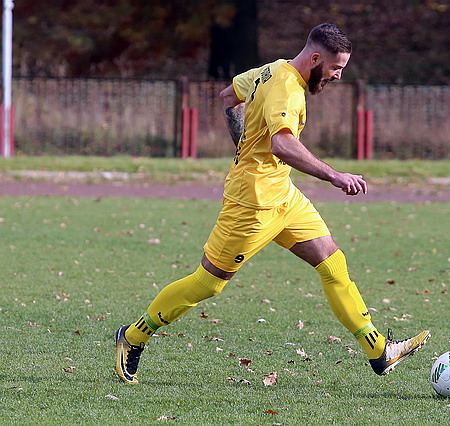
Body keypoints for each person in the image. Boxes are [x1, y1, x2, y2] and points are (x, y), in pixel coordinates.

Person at [115, 23, 429, 385]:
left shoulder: (271, 69)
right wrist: (334, 175)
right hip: (252, 203)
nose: (338, 76)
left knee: (332, 263)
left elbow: (228, 97)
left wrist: (244, 145)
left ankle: (378, 350)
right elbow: (282, 145)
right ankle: (133, 336)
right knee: (208, 283)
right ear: (315, 58)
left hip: (284, 195)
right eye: (335, 68)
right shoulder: (287, 88)